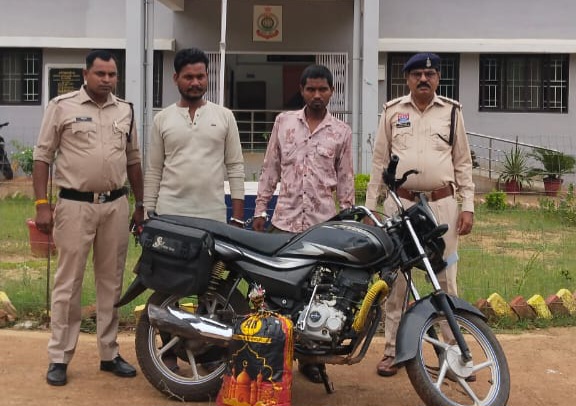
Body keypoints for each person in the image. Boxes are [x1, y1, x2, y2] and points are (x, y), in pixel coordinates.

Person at [32, 50, 145, 386]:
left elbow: (133, 160)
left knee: (111, 282)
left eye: (112, 74)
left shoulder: (125, 110)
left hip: (115, 205)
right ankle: (59, 356)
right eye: (100, 73)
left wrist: (141, 204)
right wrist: (42, 204)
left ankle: (109, 353)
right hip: (74, 205)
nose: (107, 80)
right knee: (68, 283)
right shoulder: (61, 106)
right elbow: (42, 157)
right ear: (86, 74)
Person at [364, 52, 475, 377]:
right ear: (407, 79)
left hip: (442, 206)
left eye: (430, 74)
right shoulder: (392, 111)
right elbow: (379, 162)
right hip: (400, 206)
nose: (423, 79)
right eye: (417, 75)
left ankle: (454, 355)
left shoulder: (452, 112)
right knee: (397, 281)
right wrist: (371, 207)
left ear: (438, 78)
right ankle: (392, 351)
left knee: (446, 280)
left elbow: (463, 162)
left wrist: (467, 205)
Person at [253, 64, 355, 383]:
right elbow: (270, 169)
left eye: (323, 89)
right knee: (275, 292)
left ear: (332, 92)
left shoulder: (341, 132)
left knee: (317, 295)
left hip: (322, 227)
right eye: (311, 89)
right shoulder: (283, 123)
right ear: (301, 90)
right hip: (284, 223)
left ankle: (311, 360)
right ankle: (271, 355)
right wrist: (260, 210)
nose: (317, 95)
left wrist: (349, 218)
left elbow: (345, 180)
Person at [143, 47, 245, 224]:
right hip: (169, 214)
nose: (195, 83)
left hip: (213, 216)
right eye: (188, 77)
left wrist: (237, 217)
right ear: (176, 78)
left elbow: (235, 167)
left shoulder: (225, 116)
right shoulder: (162, 119)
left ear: (207, 76)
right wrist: (148, 214)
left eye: (200, 77)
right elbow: (154, 171)